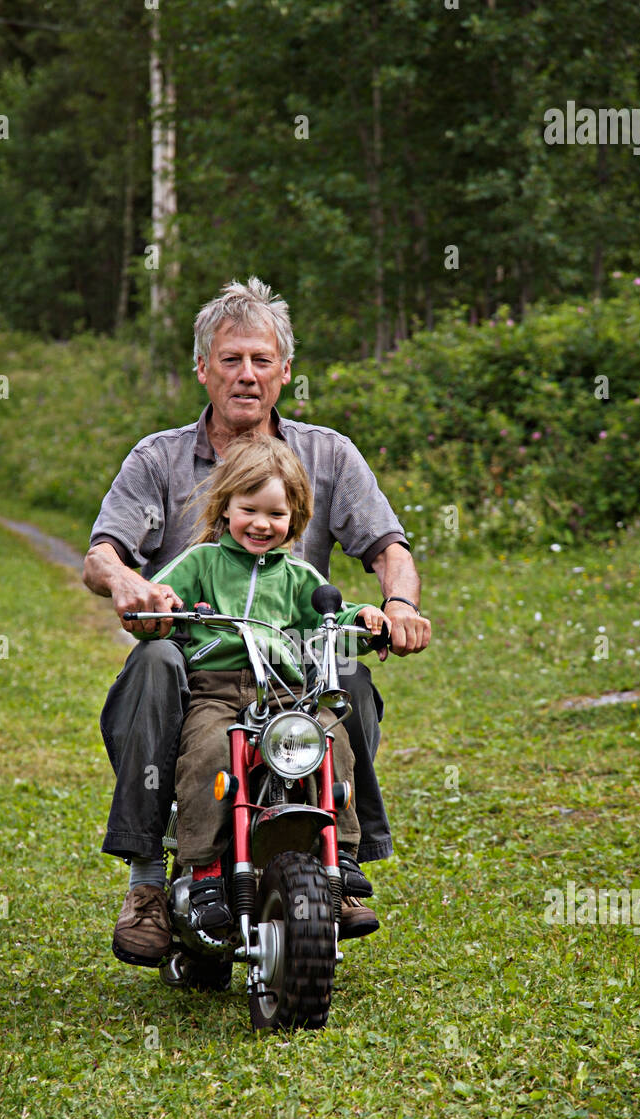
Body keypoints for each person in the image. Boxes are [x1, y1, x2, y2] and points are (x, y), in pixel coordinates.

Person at [83, 276, 431, 966]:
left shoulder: (327, 454)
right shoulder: (159, 459)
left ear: (285, 372)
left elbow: (388, 548)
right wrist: (131, 586)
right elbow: (103, 555)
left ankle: (343, 868)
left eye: (261, 360)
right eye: (231, 359)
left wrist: (398, 606)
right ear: (203, 369)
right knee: (153, 667)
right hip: (199, 665)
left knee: (350, 682)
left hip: (293, 668)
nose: (246, 375)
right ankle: (149, 882)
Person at [110, 431, 390, 964]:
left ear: (297, 519)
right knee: (210, 753)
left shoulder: (300, 576)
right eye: (249, 509)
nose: (263, 524)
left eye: (277, 515)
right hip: (216, 691)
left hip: (285, 696)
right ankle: (204, 869)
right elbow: (154, 607)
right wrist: (157, 606)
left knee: (331, 738)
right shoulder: (200, 564)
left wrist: (365, 619)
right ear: (224, 508)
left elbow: (331, 617)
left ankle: (343, 858)